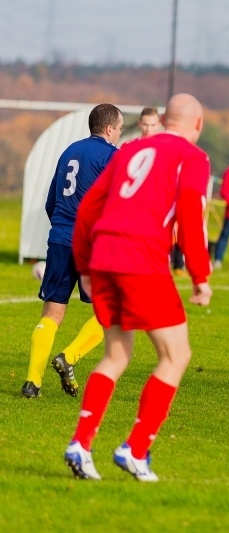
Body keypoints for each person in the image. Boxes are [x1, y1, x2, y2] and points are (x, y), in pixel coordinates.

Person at [63, 93, 212, 482]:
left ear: (162, 118)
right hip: (141, 259)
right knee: (176, 355)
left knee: (116, 354)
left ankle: (81, 443)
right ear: (198, 124)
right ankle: (136, 449)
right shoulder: (193, 157)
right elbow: (190, 217)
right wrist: (200, 277)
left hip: (103, 256)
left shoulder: (130, 149)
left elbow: (89, 207)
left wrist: (85, 267)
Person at [21, 103, 123, 399]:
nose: (119, 133)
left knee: (52, 312)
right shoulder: (112, 156)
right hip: (92, 244)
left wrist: (62, 231)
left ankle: (32, 383)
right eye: (119, 128)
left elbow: (51, 202)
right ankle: (69, 357)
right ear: (109, 129)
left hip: (60, 240)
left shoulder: (68, 152)